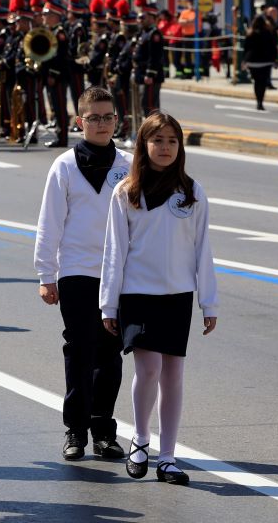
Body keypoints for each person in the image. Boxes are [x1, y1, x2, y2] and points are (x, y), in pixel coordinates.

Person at [100, 112, 217, 486]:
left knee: (174, 375)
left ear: (180, 147)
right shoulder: (126, 192)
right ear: (143, 145)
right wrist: (109, 303)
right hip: (137, 294)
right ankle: (140, 438)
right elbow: (114, 252)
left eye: (171, 140)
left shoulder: (193, 193)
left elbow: (203, 252)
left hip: (177, 295)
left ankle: (168, 457)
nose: (164, 147)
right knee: (148, 370)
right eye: (157, 140)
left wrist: (208, 304)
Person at [34, 86, 130, 462]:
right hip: (76, 271)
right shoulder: (64, 165)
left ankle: (103, 430)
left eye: (108, 117)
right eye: (94, 118)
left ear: (117, 120)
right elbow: (49, 222)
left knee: (110, 354)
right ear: (80, 122)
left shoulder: (129, 163)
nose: (102, 124)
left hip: (118, 273)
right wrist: (46, 274)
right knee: (79, 351)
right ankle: (75, 429)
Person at [243, 15, 278, 111]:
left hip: (253, 61)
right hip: (266, 61)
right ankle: (260, 102)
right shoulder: (268, 33)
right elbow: (273, 47)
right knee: (263, 82)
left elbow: (246, 48)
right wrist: (275, 59)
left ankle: (258, 100)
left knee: (256, 81)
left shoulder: (250, 34)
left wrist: (244, 60)